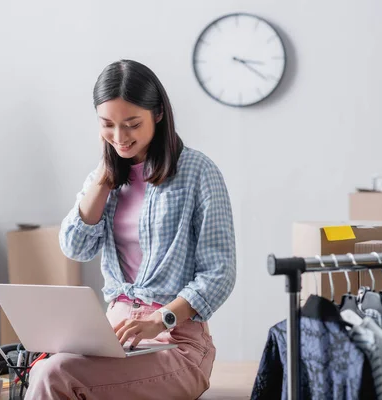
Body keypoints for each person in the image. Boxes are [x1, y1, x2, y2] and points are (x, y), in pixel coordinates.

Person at [25, 59, 236, 400]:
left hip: (176, 342)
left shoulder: (198, 172)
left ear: (157, 114)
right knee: (41, 369)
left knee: (54, 375)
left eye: (132, 124)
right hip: (113, 337)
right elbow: (75, 247)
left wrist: (162, 318)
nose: (120, 137)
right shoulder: (104, 177)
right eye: (107, 125)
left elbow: (219, 274)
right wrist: (103, 182)